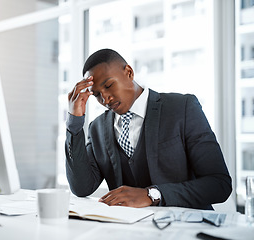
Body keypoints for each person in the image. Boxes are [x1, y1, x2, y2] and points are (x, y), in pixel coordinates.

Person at [65, 48, 232, 210]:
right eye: (97, 95)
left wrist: (152, 195)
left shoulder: (182, 108)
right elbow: (81, 187)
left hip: (185, 229)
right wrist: (74, 123)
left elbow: (219, 184)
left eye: (108, 85)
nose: (105, 99)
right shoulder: (97, 128)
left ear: (129, 72)